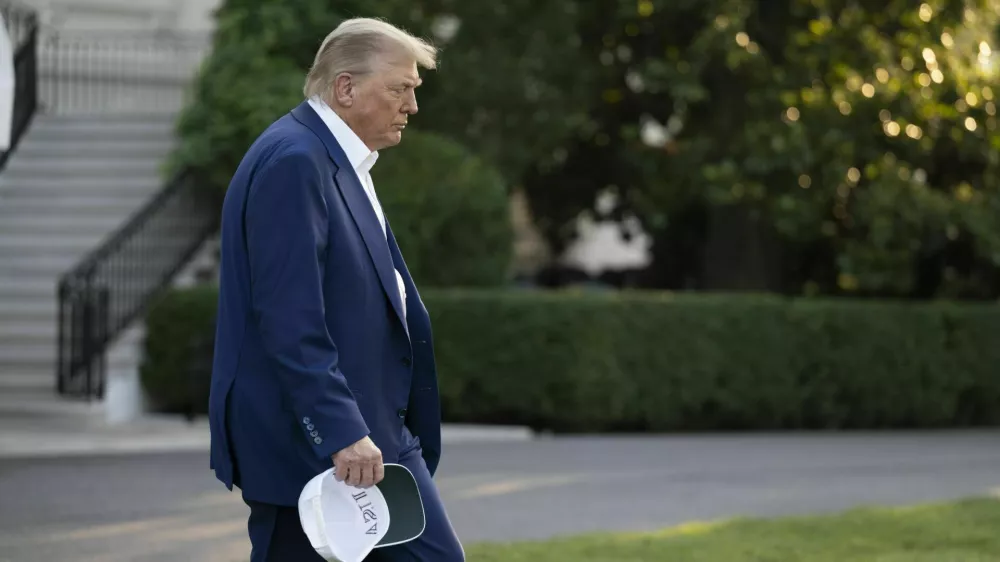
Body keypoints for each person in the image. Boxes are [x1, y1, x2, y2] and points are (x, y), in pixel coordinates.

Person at [207, 17, 465, 561]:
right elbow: (287, 315)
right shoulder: (295, 161)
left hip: (368, 436)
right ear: (345, 87)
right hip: (319, 446)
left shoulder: (333, 157)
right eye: (401, 89)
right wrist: (339, 431)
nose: (412, 107)